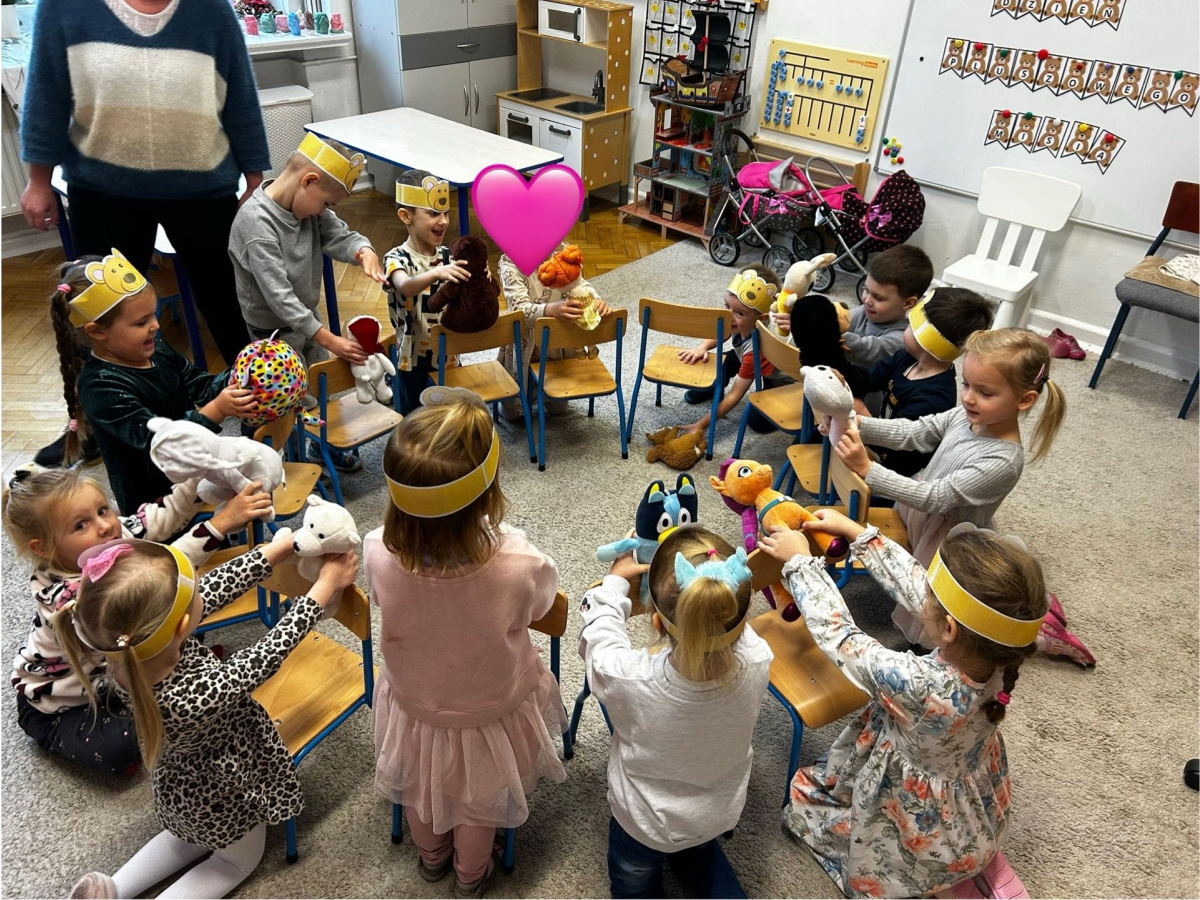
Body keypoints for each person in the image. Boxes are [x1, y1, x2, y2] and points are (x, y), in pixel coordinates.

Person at [760, 511, 1047, 899]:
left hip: (913, 809)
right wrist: (860, 536)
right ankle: (966, 855)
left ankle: (927, 874)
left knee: (803, 809)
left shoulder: (917, 684)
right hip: (960, 785)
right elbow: (918, 585)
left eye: (931, 596)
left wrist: (800, 565)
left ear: (949, 629)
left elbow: (843, 639)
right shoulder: (999, 652)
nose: (923, 592)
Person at [59, 531, 359, 899]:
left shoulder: (130, 655)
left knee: (183, 837)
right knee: (235, 862)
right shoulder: (190, 697)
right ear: (182, 625)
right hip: (223, 793)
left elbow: (213, 588)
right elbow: (264, 656)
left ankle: (112, 889)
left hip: (180, 791)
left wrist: (277, 549)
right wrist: (324, 588)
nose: (203, 589)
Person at [365, 387, 567, 898]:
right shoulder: (519, 562)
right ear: (489, 489)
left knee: (420, 780)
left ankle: (432, 858)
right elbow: (544, 607)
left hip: (416, 699)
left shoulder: (376, 550)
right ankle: (470, 876)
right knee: (479, 799)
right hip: (487, 705)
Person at [19, 0, 269, 372]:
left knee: (230, 304)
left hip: (204, 190)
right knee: (106, 316)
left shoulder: (212, 10)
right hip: (102, 191)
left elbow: (241, 96)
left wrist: (254, 180)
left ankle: (259, 392)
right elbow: (46, 94)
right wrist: (39, 181)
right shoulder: (62, 7)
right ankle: (115, 401)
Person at [834, 329, 1091, 665]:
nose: (968, 398)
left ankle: (1039, 633)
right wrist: (855, 424)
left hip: (946, 538)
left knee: (943, 615)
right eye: (966, 384)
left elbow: (935, 498)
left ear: (1025, 400)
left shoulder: (1004, 460)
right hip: (920, 515)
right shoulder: (963, 416)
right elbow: (915, 431)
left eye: (984, 392)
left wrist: (868, 469)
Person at [3, 466, 271, 775]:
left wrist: (200, 478)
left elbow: (163, 514)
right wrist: (219, 524)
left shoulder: (111, 538)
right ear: (45, 547)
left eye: (102, 510)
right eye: (80, 525)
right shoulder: (64, 597)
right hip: (60, 704)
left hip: (112, 669)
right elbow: (159, 578)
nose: (105, 526)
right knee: (131, 740)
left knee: (177, 625)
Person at [579, 525, 772, 899]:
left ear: (657, 620)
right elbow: (734, 623)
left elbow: (597, 646)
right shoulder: (760, 659)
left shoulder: (631, 679)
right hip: (717, 811)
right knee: (702, 859)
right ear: (740, 609)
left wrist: (614, 584)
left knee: (634, 884)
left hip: (644, 823)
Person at [50, 252, 258, 514]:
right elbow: (164, 444)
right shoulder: (100, 388)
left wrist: (240, 375)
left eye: (153, 314)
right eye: (142, 322)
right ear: (97, 331)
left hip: (194, 474)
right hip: (152, 503)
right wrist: (217, 409)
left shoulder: (157, 348)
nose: (156, 325)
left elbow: (199, 385)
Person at [230, 133, 386, 471]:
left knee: (317, 385)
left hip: (307, 320)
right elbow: (279, 297)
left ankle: (318, 444)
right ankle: (277, 460)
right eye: (326, 203)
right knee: (280, 399)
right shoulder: (256, 223)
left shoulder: (309, 207)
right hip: (271, 334)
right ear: (309, 181)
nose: (324, 211)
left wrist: (364, 250)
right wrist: (329, 339)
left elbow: (340, 234)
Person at [855, 287, 996, 480]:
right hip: (876, 441)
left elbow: (899, 444)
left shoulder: (934, 398)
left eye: (910, 325)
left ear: (926, 338)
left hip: (895, 472)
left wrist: (859, 411)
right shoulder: (906, 357)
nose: (905, 325)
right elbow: (867, 378)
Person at [495, 244, 613, 420]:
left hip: (556, 344)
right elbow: (519, 309)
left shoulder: (563, 253)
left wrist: (593, 299)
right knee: (512, 414)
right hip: (526, 345)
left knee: (558, 408)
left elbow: (580, 283)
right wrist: (550, 309)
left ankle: (545, 393)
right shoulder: (511, 262)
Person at [383, 169, 467, 415]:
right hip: (412, 358)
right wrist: (436, 273)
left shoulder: (448, 256)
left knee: (449, 412)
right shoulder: (395, 258)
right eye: (433, 213)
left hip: (448, 351)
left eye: (445, 213)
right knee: (416, 417)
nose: (443, 221)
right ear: (406, 216)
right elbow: (405, 286)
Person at [679, 267, 785, 436]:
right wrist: (703, 347)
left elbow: (734, 396)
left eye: (739, 313)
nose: (729, 316)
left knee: (756, 421)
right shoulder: (744, 321)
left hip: (782, 382)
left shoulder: (756, 351)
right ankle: (712, 389)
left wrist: (700, 425)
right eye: (727, 306)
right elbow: (722, 332)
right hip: (750, 356)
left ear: (761, 319)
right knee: (722, 363)